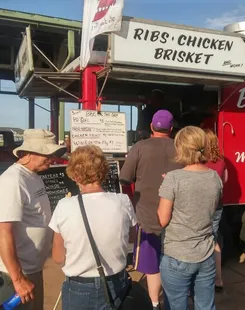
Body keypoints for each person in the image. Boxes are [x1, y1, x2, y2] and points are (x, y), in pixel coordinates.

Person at [49, 145, 137, 310]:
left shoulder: (64, 206)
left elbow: (58, 257)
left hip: (79, 286)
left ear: (74, 175)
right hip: (117, 282)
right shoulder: (123, 201)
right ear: (103, 172)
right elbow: (131, 239)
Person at [120, 110, 182, 310]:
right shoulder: (181, 148)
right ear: (171, 129)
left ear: (151, 127)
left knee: (152, 266)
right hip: (176, 217)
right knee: (174, 263)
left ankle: (155, 303)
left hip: (146, 218)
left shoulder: (140, 147)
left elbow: (124, 179)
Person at [0, 129, 66, 309]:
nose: (52, 158)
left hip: (32, 269)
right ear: (26, 154)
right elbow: (3, 232)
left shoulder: (33, 176)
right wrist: (18, 279)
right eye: (47, 153)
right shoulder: (12, 180)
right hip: (14, 274)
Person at [157, 126, 222, 310]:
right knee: (206, 306)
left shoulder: (173, 178)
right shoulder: (214, 177)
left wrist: (165, 190)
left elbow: (162, 219)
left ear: (181, 148)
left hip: (178, 254)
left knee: (176, 305)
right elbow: (211, 208)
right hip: (206, 254)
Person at [204, 129, 228, 292]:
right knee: (214, 240)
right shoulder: (221, 160)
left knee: (202, 241)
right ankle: (218, 279)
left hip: (201, 206)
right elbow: (224, 180)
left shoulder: (199, 160)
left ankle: (203, 279)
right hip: (217, 205)